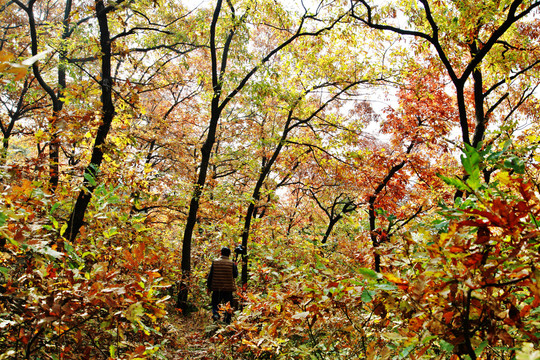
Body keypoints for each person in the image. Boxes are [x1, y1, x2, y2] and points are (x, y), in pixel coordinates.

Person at [207, 247, 238, 323]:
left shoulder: (215, 262)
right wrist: (235, 266)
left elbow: (210, 276)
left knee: (215, 304)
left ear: (220, 253)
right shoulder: (232, 263)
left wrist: (208, 287)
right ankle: (227, 320)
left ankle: (216, 315)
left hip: (216, 288)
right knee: (228, 305)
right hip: (228, 289)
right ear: (229, 254)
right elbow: (235, 275)